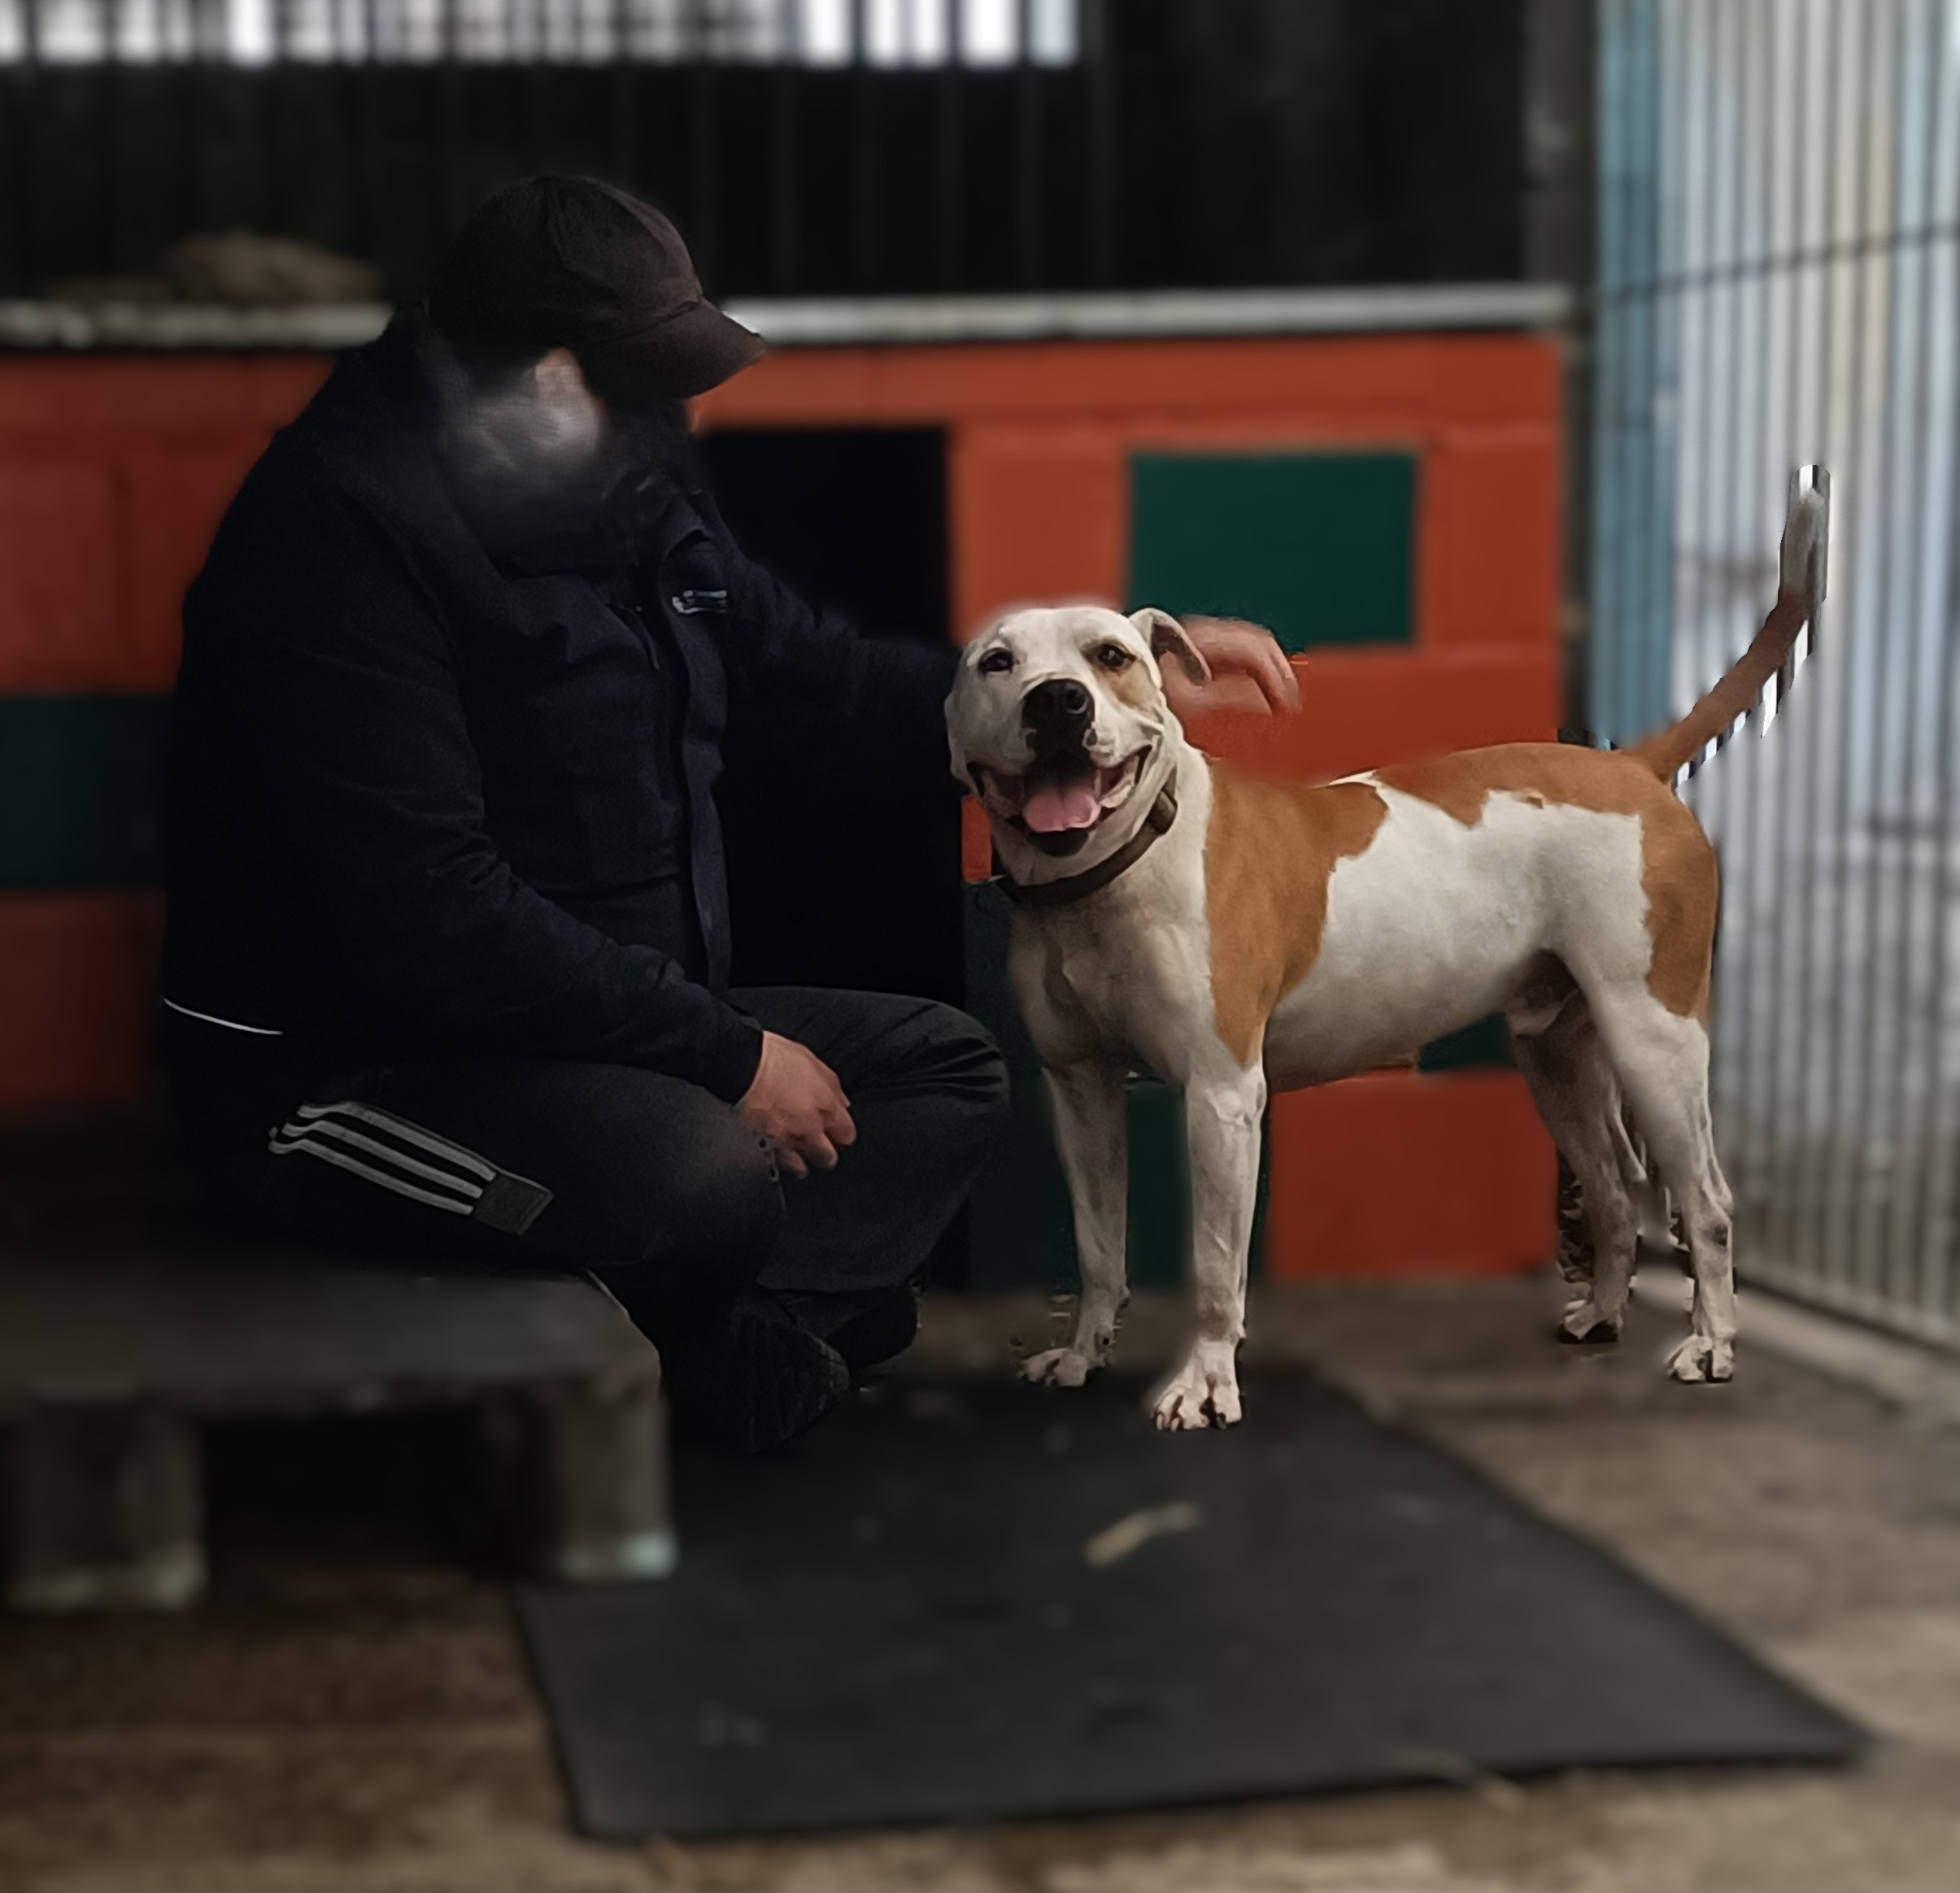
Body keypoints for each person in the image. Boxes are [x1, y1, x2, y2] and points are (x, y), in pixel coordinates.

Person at [157, 176, 1297, 1451]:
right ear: (543, 378)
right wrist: (727, 1055)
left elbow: (807, 669)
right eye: (647, 383)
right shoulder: (337, 533)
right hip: (358, 1072)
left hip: (601, 1031)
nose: (677, 413)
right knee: (699, 1172)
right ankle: (722, 1332)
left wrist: (1066, 694)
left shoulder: (622, 483)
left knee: (942, 1072)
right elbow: (426, 909)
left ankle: (710, 1328)